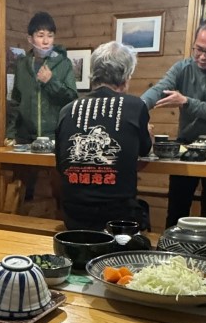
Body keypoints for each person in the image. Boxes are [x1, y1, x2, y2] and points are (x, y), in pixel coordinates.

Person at [141, 18, 206, 227]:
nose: (201, 56)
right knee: (176, 211)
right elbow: (159, 89)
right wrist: (135, 109)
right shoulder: (183, 67)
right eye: (198, 49)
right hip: (186, 145)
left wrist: (186, 101)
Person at [55, 42, 152, 231]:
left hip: (74, 216)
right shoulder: (135, 106)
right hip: (118, 218)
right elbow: (145, 150)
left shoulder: (67, 110)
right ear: (126, 77)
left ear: (93, 74)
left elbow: (60, 165)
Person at [5, 11, 78, 202]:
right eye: (40, 35)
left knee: (59, 188)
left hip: (54, 138)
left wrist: (51, 81)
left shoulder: (64, 64)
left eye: (50, 35)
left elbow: (72, 98)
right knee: (19, 187)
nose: (46, 41)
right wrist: (10, 133)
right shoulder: (22, 64)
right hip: (25, 138)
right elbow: (16, 100)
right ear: (30, 38)